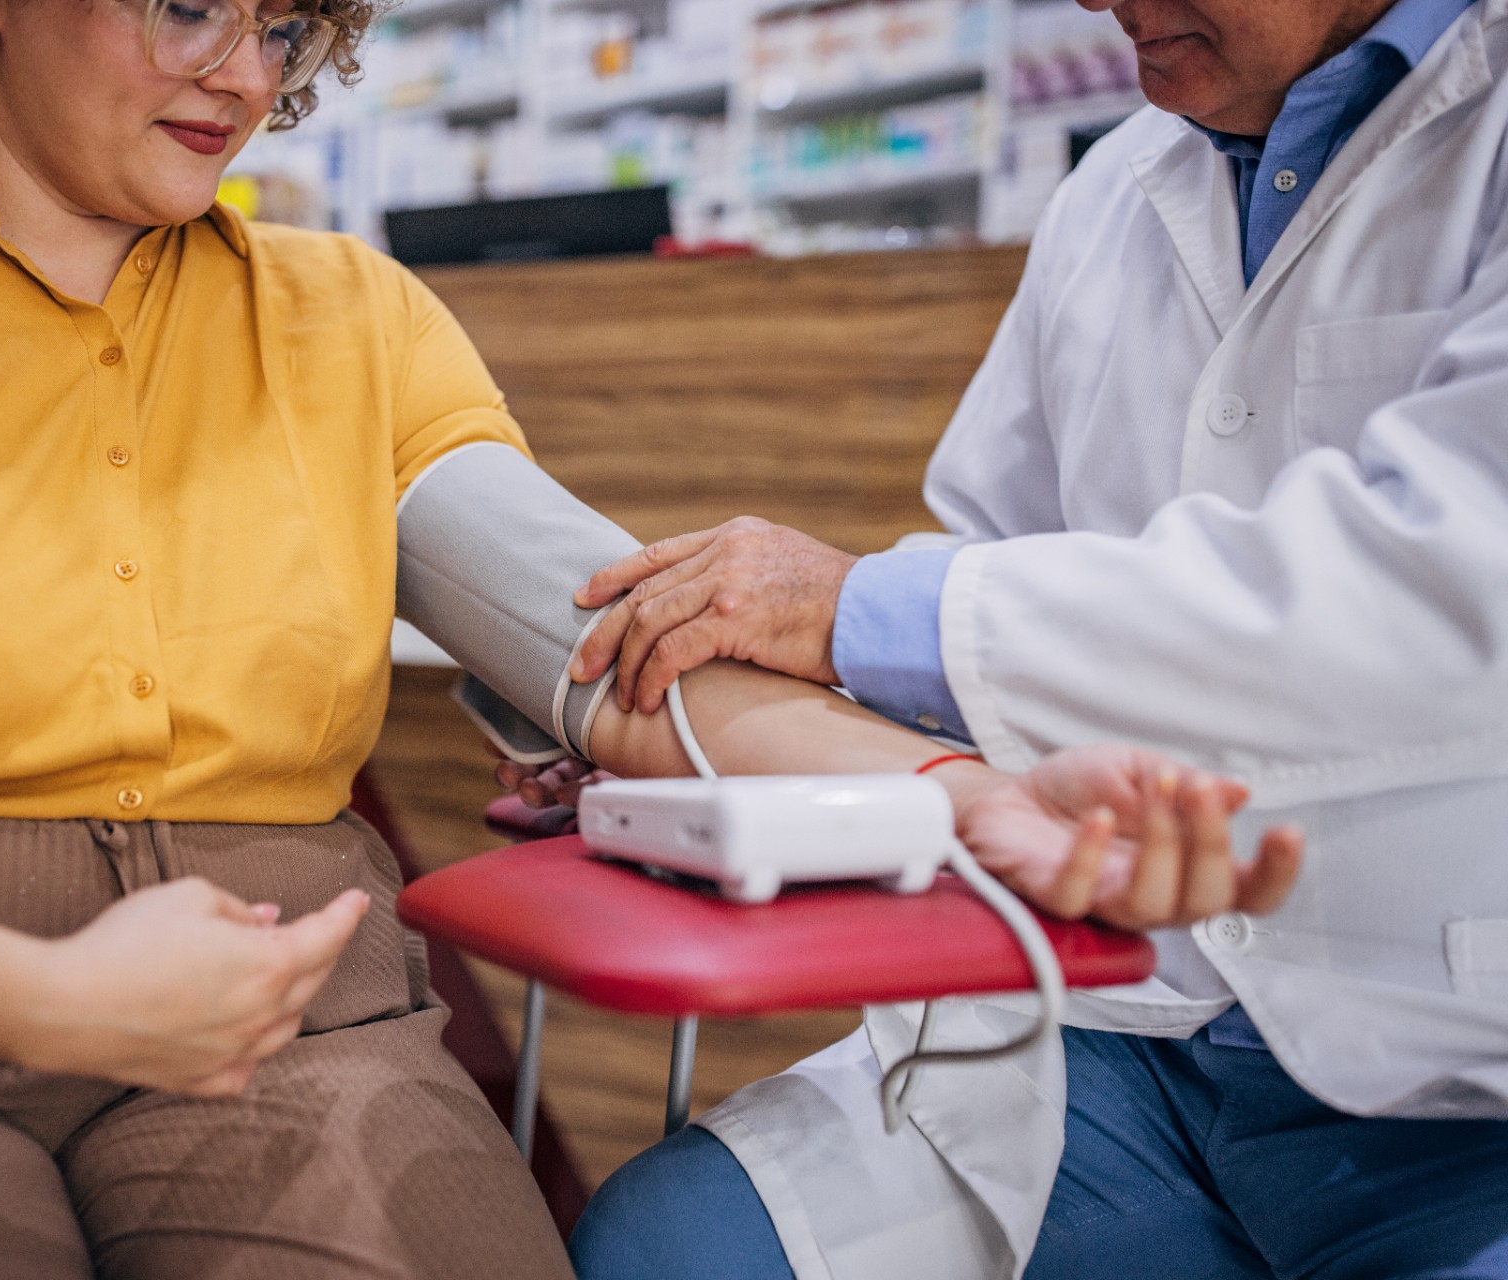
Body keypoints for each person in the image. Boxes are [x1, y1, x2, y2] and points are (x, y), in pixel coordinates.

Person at [0, 0, 1300, 1274]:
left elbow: (618, 652)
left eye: (283, 27)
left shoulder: (352, 322)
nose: (245, 78)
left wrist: (966, 795)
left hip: (288, 1036)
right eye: (191, 8)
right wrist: (40, 996)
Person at [558, 0, 1508, 1276]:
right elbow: (981, 607)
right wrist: (709, 752)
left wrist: (853, 608)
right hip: (1111, 1033)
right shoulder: (1118, 182)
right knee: (665, 1246)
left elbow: (1445, 584)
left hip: (1460, 1086)